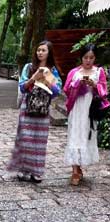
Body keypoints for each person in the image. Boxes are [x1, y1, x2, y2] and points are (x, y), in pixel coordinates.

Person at [7, 40, 62, 183]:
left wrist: (47, 78)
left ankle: (36, 171)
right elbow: (22, 87)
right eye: (38, 50)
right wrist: (34, 78)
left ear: (49, 53)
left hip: (43, 108)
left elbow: (57, 92)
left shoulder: (52, 70)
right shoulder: (29, 67)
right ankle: (23, 169)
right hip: (27, 106)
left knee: (39, 139)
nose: (40, 52)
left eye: (43, 50)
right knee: (25, 138)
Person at [63, 44, 109, 185]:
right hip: (77, 108)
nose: (88, 60)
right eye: (85, 57)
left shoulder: (98, 71)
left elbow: (104, 91)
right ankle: (75, 170)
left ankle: (79, 166)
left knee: (85, 136)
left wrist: (94, 85)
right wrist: (78, 84)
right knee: (74, 135)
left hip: (90, 109)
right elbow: (66, 89)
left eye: (91, 57)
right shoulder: (74, 72)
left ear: (95, 58)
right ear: (81, 58)